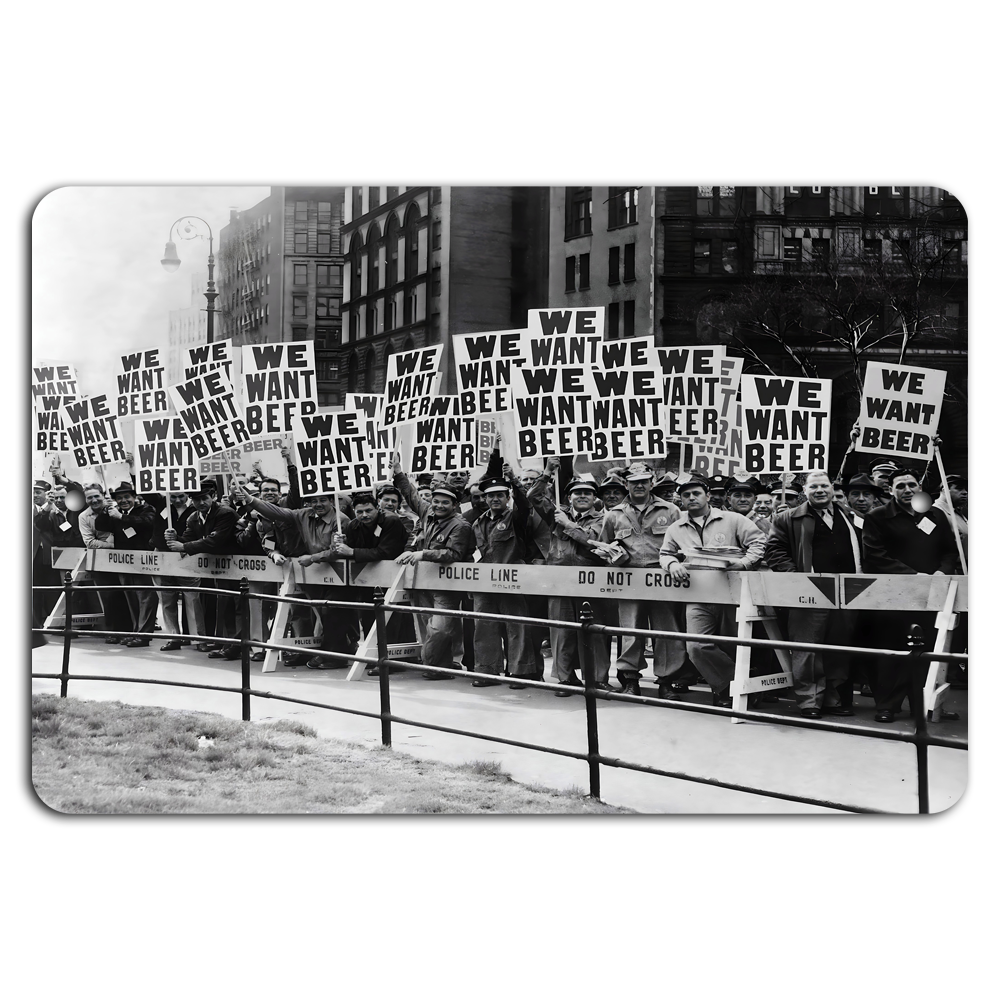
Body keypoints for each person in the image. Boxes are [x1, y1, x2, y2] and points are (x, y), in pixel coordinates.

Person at [764, 471, 865, 718]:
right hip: (808, 592)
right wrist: (796, 577)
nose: (820, 490)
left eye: (824, 486)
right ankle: (810, 700)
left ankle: (832, 698)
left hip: (847, 593)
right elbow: (774, 551)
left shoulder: (852, 516)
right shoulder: (788, 518)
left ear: (832, 488)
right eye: (813, 487)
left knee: (839, 646)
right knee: (806, 648)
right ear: (805, 492)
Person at [862, 468, 960, 722]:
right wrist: (913, 575)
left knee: (928, 650)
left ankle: (922, 704)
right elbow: (874, 556)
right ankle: (887, 706)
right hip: (894, 595)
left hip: (932, 594)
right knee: (891, 652)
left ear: (920, 487)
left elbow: (950, 551)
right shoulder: (877, 516)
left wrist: (942, 572)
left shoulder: (935, 514)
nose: (907, 490)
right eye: (900, 486)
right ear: (890, 490)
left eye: (912, 485)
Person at [658, 478, 766, 708]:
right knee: (696, 646)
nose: (691, 498)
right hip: (698, 595)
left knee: (732, 644)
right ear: (680, 499)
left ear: (707, 496)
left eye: (696, 493)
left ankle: (730, 692)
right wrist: (672, 564)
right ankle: (728, 685)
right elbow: (665, 553)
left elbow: (759, 542)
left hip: (732, 593)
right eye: (686, 495)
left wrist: (744, 563)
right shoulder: (676, 528)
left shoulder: (733, 519)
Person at [232, 483, 358, 670]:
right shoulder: (301, 515)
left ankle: (338, 654)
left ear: (332, 501)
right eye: (314, 501)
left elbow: (337, 550)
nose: (318, 504)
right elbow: (274, 519)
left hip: (340, 573)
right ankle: (327, 653)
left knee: (335, 614)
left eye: (322, 500)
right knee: (321, 613)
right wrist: (250, 500)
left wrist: (312, 558)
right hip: (312, 573)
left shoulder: (341, 520)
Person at [597, 462, 685, 698]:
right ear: (626, 484)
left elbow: (683, 544)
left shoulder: (670, 510)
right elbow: (604, 547)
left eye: (644, 481)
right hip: (629, 580)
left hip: (662, 579)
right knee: (631, 631)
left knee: (666, 631)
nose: (639, 486)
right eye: (634, 482)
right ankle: (631, 680)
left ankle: (666, 681)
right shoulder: (614, 515)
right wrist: (612, 555)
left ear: (651, 483)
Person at [525, 461, 612, 695]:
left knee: (594, 632)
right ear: (569, 497)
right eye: (577, 492)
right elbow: (533, 496)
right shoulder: (556, 514)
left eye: (587, 493)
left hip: (590, 583)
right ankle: (565, 679)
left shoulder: (603, 519)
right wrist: (546, 473)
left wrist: (568, 524)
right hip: (560, 583)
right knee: (561, 632)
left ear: (594, 498)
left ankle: (598, 679)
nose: (582, 496)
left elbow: (593, 542)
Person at [468, 449, 543, 689]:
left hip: (512, 582)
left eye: (500, 495)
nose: (494, 499)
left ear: (507, 496)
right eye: (490, 496)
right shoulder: (478, 523)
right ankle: (487, 671)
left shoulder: (515, 518)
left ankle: (520, 672)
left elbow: (525, 504)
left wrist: (513, 480)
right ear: (485, 498)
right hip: (484, 584)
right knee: (484, 627)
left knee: (516, 627)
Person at [395, 482, 476, 680]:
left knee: (440, 628)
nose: (439, 505)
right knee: (429, 626)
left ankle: (429, 663)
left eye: (445, 502)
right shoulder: (428, 513)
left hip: (447, 585)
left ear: (455, 505)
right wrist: (397, 472)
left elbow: (454, 554)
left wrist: (423, 554)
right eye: (436, 501)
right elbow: (412, 495)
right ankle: (442, 667)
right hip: (424, 582)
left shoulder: (461, 525)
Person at [332, 491, 409, 667]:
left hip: (392, 577)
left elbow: (386, 551)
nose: (364, 515)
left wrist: (352, 551)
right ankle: (374, 657)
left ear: (377, 508)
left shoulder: (391, 521)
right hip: (366, 579)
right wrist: (341, 542)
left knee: (391, 619)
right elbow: (344, 551)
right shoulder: (353, 525)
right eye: (360, 512)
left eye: (368, 510)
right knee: (368, 617)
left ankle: (391, 662)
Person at [164, 480, 239, 656]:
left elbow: (215, 541)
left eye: (205, 498)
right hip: (216, 568)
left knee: (236, 606)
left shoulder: (225, 513)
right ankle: (227, 644)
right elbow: (188, 538)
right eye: (197, 499)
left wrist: (183, 546)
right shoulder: (194, 517)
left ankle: (236, 645)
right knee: (223, 606)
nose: (201, 502)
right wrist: (176, 538)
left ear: (213, 496)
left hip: (236, 565)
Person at [94, 482, 159, 648]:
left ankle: (144, 635)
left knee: (145, 598)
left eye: (127, 497)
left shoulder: (146, 509)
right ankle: (135, 632)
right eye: (120, 498)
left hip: (143, 562)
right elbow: (100, 526)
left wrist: (121, 517)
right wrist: (105, 510)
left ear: (134, 497)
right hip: (123, 562)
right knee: (131, 599)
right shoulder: (115, 512)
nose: (123, 501)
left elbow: (147, 522)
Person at [78, 482, 134, 642]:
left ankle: (131, 631)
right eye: (89, 498)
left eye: (97, 496)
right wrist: (114, 545)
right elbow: (89, 542)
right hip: (101, 562)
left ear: (103, 495)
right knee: (109, 597)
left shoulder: (117, 509)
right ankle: (113, 632)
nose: (94, 500)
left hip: (125, 560)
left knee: (127, 596)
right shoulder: (83, 517)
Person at [151, 491, 205, 651]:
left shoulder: (195, 508)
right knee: (167, 600)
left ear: (187, 495)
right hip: (163, 557)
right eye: (173, 497)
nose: (177, 500)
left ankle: (198, 639)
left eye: (181, 496)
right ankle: (173, 637)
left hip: (187, 557)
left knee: (192, 599)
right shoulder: (162, 505)